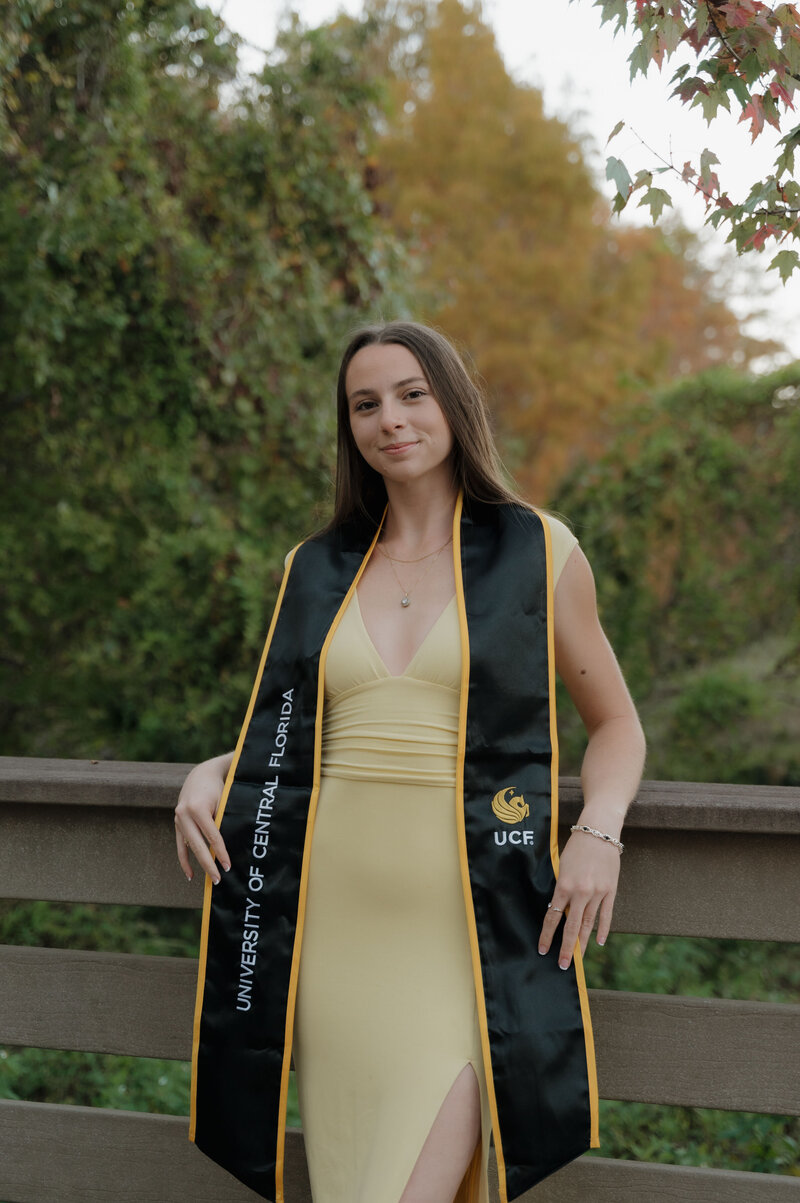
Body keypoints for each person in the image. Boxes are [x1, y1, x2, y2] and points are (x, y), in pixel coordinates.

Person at [175, 320, 646, 1203]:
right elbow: (304, 737)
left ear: (452, 403)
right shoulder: (314, 569)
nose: (389, 418)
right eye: (365, 403)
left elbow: (617, 724)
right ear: (349, 427)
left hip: (466, 939)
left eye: (410, 394)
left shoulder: (538, 551)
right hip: (328, 940)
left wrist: (599, 831)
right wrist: (213, 772)